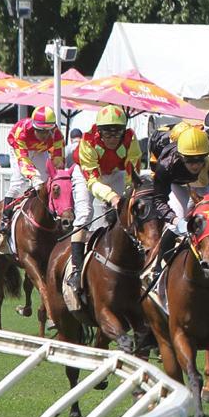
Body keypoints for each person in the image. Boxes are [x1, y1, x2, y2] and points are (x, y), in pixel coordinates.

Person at [68, 104, 141, 295]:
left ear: (124, 131)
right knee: (85, 214)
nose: (112, 138)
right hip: (87, 175)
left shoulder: (131, 139)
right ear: (99, 131)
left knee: (124, 212)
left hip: (115, 172)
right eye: (107, 133)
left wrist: (126, 195)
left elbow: (132, 174)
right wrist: (112, 196)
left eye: (117, 132)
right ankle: (76, 269)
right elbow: (92, 181)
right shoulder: (88, 141)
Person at [152, 125, 209, 272]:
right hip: (178, 184)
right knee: (175, 225)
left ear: (206, 155)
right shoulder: (165, 164)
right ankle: (158, 268)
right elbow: (158, 200)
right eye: (189, 160)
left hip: (205, 184)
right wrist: (175, 220)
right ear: (180, 156)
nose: (195, 165)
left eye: (199, 159)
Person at [0, 106, 65, 255]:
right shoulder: (22, 132)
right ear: (33, 126)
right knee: (18, 184)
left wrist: (55, 174)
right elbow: (23, 160)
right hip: (20, 150)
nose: (44, 135)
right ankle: (4, 224)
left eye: (47, 131)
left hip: (40, 151)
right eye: (40, 131)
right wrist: (34, 177)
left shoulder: (57, 134)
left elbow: (58, 158)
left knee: (47, 181)